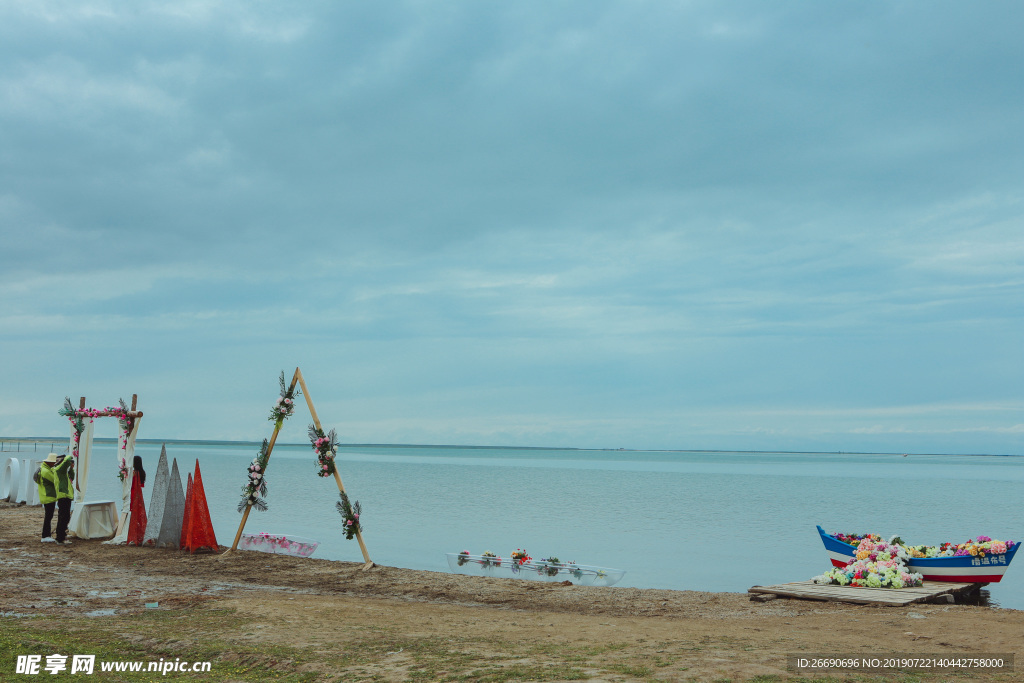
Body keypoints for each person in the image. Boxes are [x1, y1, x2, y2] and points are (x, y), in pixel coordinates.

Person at [38, 452, 75, 544]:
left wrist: (71, 468)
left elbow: (71, 477)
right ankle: (48, 536)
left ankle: (50, 535)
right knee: (52, 516)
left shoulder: (49, 469)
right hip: (48, 496)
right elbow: (54, 479)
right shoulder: (49, 470)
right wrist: (71, 454)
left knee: (53, 516)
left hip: (50, 495)